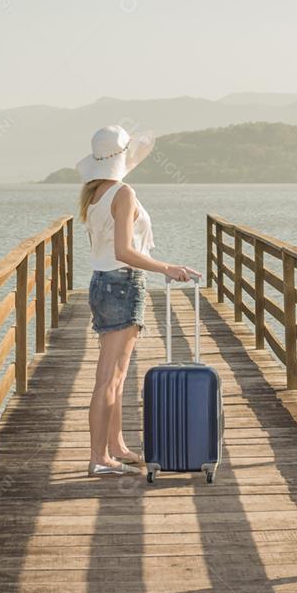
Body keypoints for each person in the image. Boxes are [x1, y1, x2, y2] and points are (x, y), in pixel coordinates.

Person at [76, 125, 200, 477]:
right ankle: (99, 458)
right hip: (123, 284)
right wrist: (168, 267)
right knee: (109, 379)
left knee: (114, 375)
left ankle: (115, 447)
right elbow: (124, 251)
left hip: (102, 284)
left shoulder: (95, 193)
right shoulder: (123, 192)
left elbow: (108, 251)